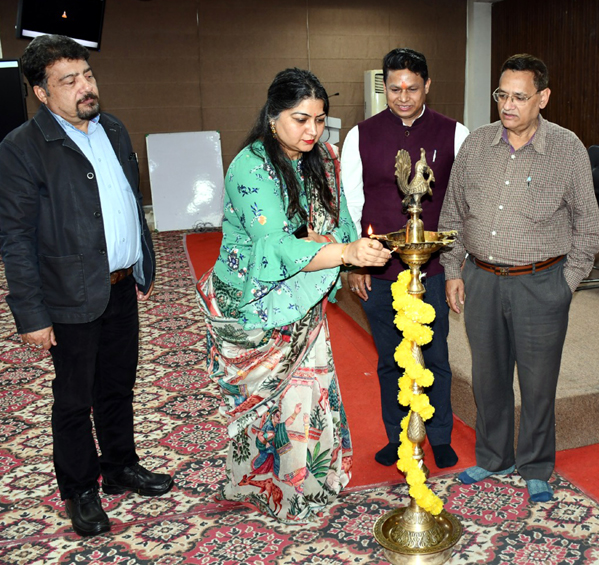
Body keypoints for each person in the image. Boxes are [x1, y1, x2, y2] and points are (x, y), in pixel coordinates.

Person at [196, 68, 391, 522]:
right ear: (272, 116)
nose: (312, 131)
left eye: (320, 120)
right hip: (254, 304)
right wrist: (342, 251)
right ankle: (265, 486)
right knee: (268, 405)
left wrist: (347, 254)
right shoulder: (250, 167)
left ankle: (309, 482)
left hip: (304, 298)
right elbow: (274, 245)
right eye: (301, 119)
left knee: (305, 397)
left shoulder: (322, 158)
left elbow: (340, 219)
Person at [0, 35, 173, 537]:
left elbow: (127, 200)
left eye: (88, 75)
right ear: (41, 92)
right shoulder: (21, 148)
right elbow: (15, 237)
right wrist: (30, 314)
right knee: (75, 399)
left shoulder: (111, 128)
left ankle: (120, 466)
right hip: (68, 292)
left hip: (118, 286)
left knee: (117, 385)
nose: (85, 87)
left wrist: (141, 262)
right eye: (69, 81)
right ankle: (79, 489)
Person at [440, 54, 599, 502]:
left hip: (541, 284)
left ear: (543, 97)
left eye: (519, 97)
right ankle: (494, 457)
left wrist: (565, 285)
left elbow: (589, 227)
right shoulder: (476, 144)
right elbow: (452, 214)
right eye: (502, 95)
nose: (507, 105)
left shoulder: (567, 149)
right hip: (482, 279)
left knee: (537, 382)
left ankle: (535, 464)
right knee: (487, 377)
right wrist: (453, 270)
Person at [341, 48, 470, 468]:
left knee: (435, 355)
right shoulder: (361, 135)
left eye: (412, 88)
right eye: (395, 89)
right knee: (390, 358)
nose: (403, 97)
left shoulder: (455, 134)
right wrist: (355, 263)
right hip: (379, 269)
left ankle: (440, 435)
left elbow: (464, 204)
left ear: (427, 85)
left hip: (433, 268)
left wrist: (455, 267)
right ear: (385, 87)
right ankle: (398, 436)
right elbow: (349, 204)